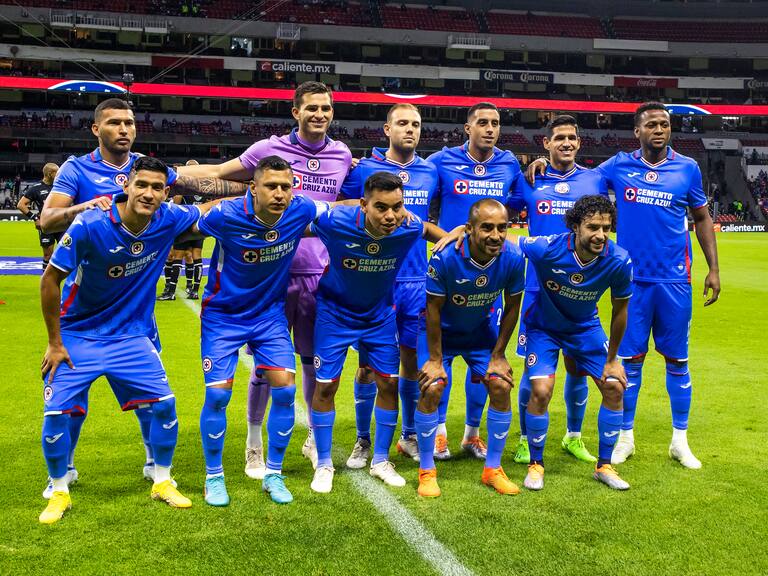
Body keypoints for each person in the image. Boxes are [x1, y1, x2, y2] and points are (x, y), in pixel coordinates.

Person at [38, 97, 246, 498]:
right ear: (96, 128)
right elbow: (47, 219)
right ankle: (63, 471)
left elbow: (204, 186)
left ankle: (156, 466)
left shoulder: (149, 169)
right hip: (86, 312)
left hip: (136, 321)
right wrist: (87, 207)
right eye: (115, 122)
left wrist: (253, 185)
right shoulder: (77, 170)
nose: (124, 129)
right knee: (70, 402)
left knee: (153, 400)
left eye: (130, 123)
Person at [528, 102, 720, 469]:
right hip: (630, 280)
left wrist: (713, 269)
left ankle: (680, 440)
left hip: (674, 279)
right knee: (627, 363)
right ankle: (625, 438)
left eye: (664, 124)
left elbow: (702, 217)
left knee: (678, 360)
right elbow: (576, 177)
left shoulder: (688, 168)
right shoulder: (617, 165)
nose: (658, 130)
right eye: (651, 125)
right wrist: (543, 165)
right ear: (638, 131)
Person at [176, 82, 352, 479]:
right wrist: (174, 176)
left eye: (326, 108)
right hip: (267, 279)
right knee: (264, 367)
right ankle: (254, 446)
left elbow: (348, 204)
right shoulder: (266, 151)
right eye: (311, 108)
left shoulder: (343, 155)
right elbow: (220, 174)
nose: (319, 115)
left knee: (311, 363)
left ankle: (311, 440)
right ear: (296, 111)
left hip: (318, 273)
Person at [37, 157, 209, 524]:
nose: (148, 193)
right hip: (78, 333)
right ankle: (59, 488)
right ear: (126, 185)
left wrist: (256, 190)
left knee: (164, 405)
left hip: (131, 335)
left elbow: (211, 208)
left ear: (167, 193)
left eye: (157, 188)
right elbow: (50, 280)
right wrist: (54, 342)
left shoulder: (168, 220)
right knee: (56, 414)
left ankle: (161, 479)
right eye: (142, 185)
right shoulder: (90, 224)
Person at [194, 156, 354, 506]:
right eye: (271, 186)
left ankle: (274, 474)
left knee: (285, 389)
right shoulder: (226, 215)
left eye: (286, 186)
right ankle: (213, 478)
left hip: (269, 317)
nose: (280, 193)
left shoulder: (300, 210)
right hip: (224, 315)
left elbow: (346, 209)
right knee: (218, 395)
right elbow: (181, 223)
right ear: (254, 187)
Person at [308, 172, 462, 493]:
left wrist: (453, 236)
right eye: (381, 208)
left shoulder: (406, 225)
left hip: (378, 316)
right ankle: (323, 463)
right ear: (363, 205)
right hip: (334, 315)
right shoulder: (335, 220)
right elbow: (296, 221)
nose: (391, 216)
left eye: (397, 206)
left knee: (389, 383)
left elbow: (430, 231)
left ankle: (380, 460)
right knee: (326, 387)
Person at [338, 103, 438, 467]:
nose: (409, 129)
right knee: (368, 366)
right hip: (375, 277)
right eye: (402, 123)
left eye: (415, 124)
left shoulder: (432, 170)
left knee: (411, 364)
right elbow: (342, 205)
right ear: (386, 129)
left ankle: (409, 435)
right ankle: (363, 441)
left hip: (415, 280)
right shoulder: (363, 168)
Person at [506, 114, 608, 465]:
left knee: (578, 366)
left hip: (580, 289)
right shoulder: (529, 180)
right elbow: (503, 211)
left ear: (579, 144)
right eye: (559, 137)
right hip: (537, 289)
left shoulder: (595, 179)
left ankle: (573, 436)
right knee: (532, 369)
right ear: (546, 144)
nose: (567, 143)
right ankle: (524, 438)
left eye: (572, 138)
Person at [426, 102, 526, 461]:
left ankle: (471, 433)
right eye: (482, 122)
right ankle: (438, 433)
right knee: (440, 356)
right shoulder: (440, 160)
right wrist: (453, 233)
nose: (489, 128)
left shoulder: (510, 163)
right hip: (452, 266)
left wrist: (539, 169)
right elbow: (420, 198)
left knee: (479, 357)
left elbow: (520, 198)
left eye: (495, 123)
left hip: (489, 268)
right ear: (466, 128)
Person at [518, 195, 633, 491]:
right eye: (592, 227)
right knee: (541, 391)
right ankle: (536, 464)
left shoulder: (618, 260)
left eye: (606, 228)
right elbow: (507, 243)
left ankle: (604, 466)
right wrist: (462, 231)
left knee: (614, 385)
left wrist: (612, 360)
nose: (600, 235)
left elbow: (620, 312)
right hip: (543, 328)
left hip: (585, 329)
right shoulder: (549, 247)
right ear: (575, 226)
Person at [416, 199, 525, 498]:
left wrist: (499, 354)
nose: (496, 235)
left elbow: (513, 306)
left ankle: (493, 470)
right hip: (441, 334)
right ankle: (427, 470)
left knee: (501, 384)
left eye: (502, 228)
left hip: (480, 333)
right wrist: (436, 359)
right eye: (487, 228)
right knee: (433, 386)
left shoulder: (513, 256)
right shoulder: (444, 257)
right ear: (469, 229)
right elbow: (433, 310)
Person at [17, 163, 60, 269]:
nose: (59, 175)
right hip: (46, 226)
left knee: (70, 253)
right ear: (50, 174)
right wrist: (35, 218)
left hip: (62, 224)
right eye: (57, 173)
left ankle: (73, 282)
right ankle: (46, 283)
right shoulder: (36, 188)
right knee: (47, 255)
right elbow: (21, 205)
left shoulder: (61, 186)